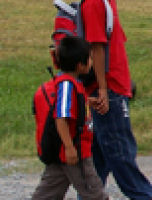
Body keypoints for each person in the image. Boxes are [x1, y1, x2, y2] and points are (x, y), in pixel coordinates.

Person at [82, 0, 152, 200]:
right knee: (120, 151)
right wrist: (103, 89)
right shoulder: (94, 3)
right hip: (109, 90)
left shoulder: (108, 0)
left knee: (101, 153)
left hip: (117, 86)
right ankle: (146, 196)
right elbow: (97, 47)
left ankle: (90, 195)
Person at [32, 36, 108, 200]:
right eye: (90, 59)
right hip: (75, 152)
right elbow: (61, 117)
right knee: (94, 193)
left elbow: (69, 106)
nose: (92, 62)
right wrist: (69, 147)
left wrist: (87, 102)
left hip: (63, 155)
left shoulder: (70, 84)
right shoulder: (67, 85)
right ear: (80, 65)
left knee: (47, 193)